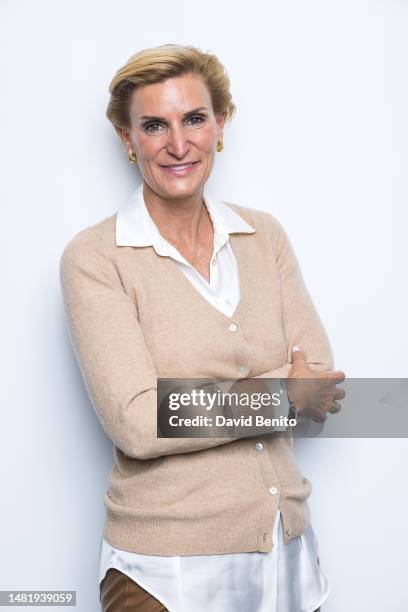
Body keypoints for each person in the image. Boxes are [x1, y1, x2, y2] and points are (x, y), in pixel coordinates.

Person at [59, 43, 345, 612]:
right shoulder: (96, 257)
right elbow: (139, 421)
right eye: (154, 125)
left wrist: (191, 401)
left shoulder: (264, 237)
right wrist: (281, 391)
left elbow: (319, 379)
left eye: (194, 118)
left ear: (220, 124)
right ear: (127, 140)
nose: (178, 143)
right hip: (164, 571)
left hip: (285, 553)